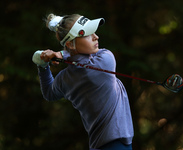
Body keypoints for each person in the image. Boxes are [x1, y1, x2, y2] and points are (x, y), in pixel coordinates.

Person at [32, 13, 134, 150]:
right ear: (70, 44)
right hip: (117, 144)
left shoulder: (64, 78)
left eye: (94, 32)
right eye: (87, 34)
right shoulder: (105, 61)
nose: (96, 37)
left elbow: (49, 93)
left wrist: (43, 66)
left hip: (99, 145)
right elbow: (87, 59)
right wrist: (61, 54)